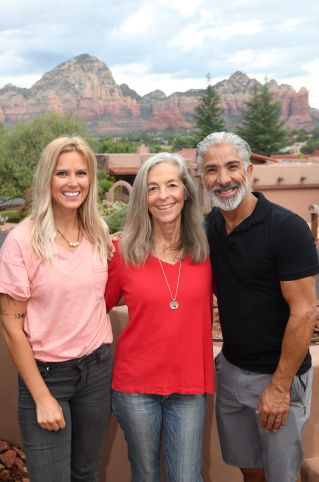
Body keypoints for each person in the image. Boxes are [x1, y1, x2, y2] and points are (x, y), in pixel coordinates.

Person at [196, 131, 319, 482]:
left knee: (282, 477)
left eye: (232, 167)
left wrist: (279, 388)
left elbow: (305, 311)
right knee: (250, 473)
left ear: (249, 172)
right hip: (232, 372)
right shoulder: (210, 228)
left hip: (278, 376)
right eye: (212, 170)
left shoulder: (287, 228)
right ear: (202, 178)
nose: (223, 179)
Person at [0, 136, 113, 482]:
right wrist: (41, 397)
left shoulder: (98, 231)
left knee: (86, 472)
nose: (73, 182)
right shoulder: (23, 240)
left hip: (97, 368)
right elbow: (10, 326)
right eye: (62, 173)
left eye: (81, 173)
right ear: (47, 178)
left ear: (91, 179)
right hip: (48, 374)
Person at [105, 152, 214, 482]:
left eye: (172, 185)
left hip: (189, 385)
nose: (163, 196)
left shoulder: (207, 250)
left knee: (186, 477)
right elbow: (95, 307)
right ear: (142, 198)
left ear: (186, 191)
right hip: (135, 387)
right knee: (147, 474)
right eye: (153, 188)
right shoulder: (123, 251)